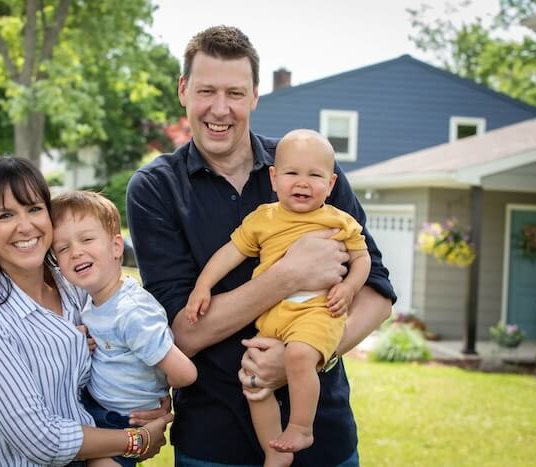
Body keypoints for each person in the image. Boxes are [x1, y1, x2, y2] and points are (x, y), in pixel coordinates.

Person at [126, 25, 396, 467]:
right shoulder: (156, 189)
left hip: (323, 436)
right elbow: (182, 334)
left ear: (254, 95)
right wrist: (288, 276)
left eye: (235, 93)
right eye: (206, 90)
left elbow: (376, 294)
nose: (220, 108)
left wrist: (307, 357)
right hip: (214, 442)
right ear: (183, 90)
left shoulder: (310, 169)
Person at [0, 157, 172, 466]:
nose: (26, 226)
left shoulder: (75, 286)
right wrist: (135, 440)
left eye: (34, 209)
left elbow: (131, 342)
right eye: (6, 215)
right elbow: (41, 440)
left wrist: (148, 399)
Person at [185, 129, 370, 466]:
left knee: (298, 356)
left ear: (331, 184)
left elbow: (363, 259)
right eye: (292, 173)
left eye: (315, 176)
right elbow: (230, 253)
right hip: (273, 317)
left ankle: (301, 427)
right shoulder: (263, 219)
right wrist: (202, 287)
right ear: (274, 177)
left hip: (318, 311)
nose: (302, 182)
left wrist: (349, 287)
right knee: (254, 381)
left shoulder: (338, 220)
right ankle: (276, 451)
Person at [50, 190, 198, 467]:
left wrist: (158, 396)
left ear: (117, 246)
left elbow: (185, 374)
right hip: (94, 408)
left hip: (121, 420)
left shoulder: (132, 312)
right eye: (62, 248)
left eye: (86, 239)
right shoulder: (92, 303)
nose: (76, 251)